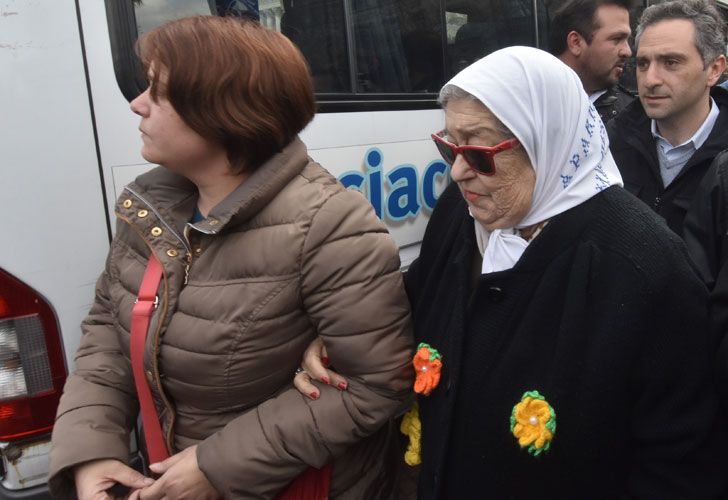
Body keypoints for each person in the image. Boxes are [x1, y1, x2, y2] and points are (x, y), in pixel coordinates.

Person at [297, 46, 726, 498]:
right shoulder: (460, 214)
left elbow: (679, 463)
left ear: (546, 139)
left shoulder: (646, 267)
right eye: (449, 145)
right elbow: (418, 294)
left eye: (479, 150)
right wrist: (348, 334)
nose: (460, 171)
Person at [47, 16, 413, 500]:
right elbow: (106, 337)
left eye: (156, 92)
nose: (136, 105)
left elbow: (377, 384)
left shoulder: (330, 225)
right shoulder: (149, 209)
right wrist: (93, 451)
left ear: (221, 111)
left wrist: (216, 467)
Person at [608, 0, 728, 237]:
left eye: (671, 62)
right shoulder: (612, 141)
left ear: (714, 70)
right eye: (643, 63)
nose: (650, 79)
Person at [547, 0, 636, 122]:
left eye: (627, 40)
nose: (627, 51)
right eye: (617, 39)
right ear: (576, 43)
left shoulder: (634, 119)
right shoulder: (531, 104)